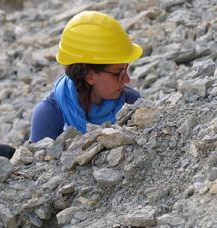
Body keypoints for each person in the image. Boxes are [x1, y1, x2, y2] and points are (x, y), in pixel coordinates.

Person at [29, 11, 143, 143]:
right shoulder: (49, 113)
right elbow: (39, 162)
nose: (126, 79)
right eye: (117, 73)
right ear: (89, 75)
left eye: (125, 70)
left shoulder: (131, 101)